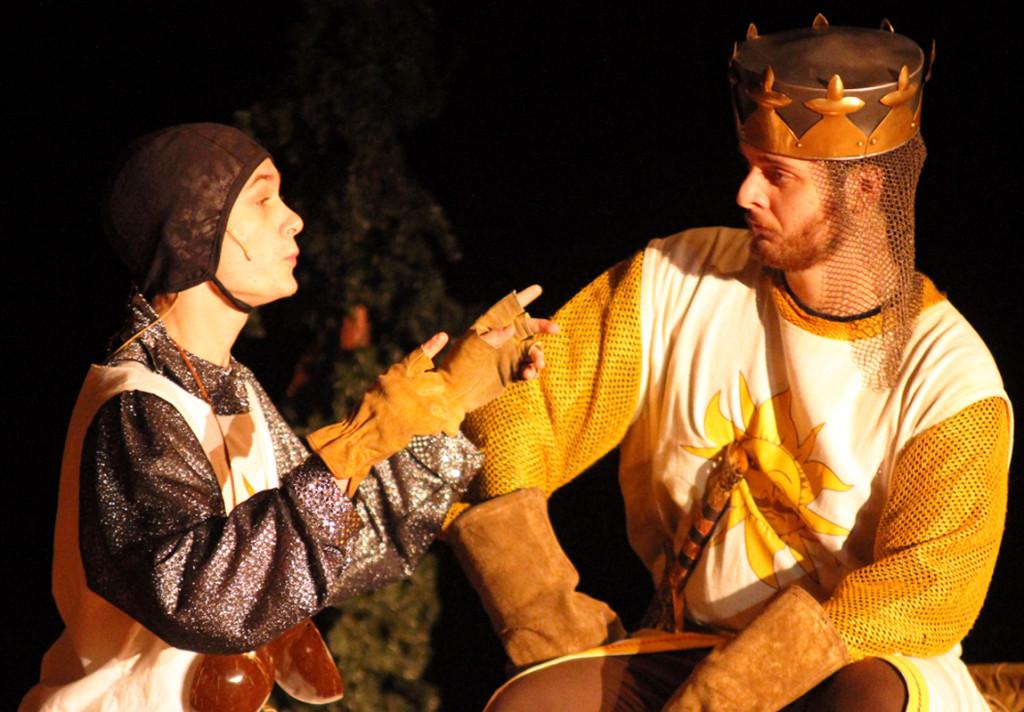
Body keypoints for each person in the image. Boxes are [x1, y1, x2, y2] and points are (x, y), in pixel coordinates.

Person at [446, 16, 1013, 712]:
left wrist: (734, 693)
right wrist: (542, 610)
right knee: (531, 704)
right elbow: (525, 402)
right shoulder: (678, 279)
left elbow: (926, 589)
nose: (746, 193)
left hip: (859, 670)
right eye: (749, 166)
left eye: (777, 176)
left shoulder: (950, 378)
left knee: (866, 701)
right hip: (693, 647)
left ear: (865, 189)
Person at [21, 122, 555, 711]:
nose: (292, 217)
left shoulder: (235, 389)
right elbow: (207, 600)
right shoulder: (136, 404)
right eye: (261, 198)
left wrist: (447, 398)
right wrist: (356, 444)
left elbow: (336, 547)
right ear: (194, 229)